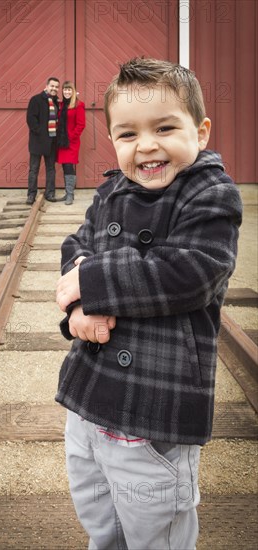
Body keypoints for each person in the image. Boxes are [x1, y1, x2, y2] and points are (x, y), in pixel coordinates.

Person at [55, 58, 242, 550]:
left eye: (164, 127)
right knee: (101, 520)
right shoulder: (111, 190)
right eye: (128, 134)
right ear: (114, 141)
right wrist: (78, 309)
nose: (147, 146)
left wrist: (90, 282)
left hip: (154, 414)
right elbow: (77, 246)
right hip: (90, 404)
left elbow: (190, 273)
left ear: (199, 132)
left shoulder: (211, 193)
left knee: (153, 531)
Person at [26, 77, 60, 204]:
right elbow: (31, 119)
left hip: (52, 141)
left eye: (57, 87)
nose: (54, 89)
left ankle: (50, 193)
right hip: (37, 141)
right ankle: (31, 194)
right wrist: (40, 133)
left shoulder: (56, 101)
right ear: (46, 86)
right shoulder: (36, 100)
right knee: (34, 169)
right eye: (52, 86)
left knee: (51, 168)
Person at [56, 81, 86, 205]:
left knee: (69, 166)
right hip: (61, 141)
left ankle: (70, 194)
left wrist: (71, 137)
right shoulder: (61, 104)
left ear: (73, 91)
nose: (67, 92)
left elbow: (81, 125)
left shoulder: (78, 105)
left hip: (71, 141)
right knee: (64, 165)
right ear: (62, 91)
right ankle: (67, 192)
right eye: (65, 89)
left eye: (69, 90)